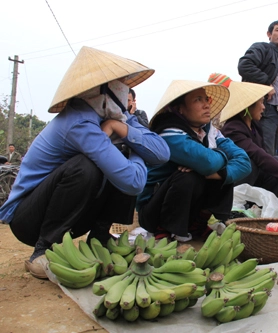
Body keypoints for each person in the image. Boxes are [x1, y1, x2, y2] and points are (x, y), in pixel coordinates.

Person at [0, 46, 170, 279]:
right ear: (102, 90)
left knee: (117, 156)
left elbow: (161, 153)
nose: (125, 90)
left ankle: (100, 238)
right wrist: (134, 147)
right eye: (120, 84)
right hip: (28, 219)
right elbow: (134, 183)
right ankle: (43, 249)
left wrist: (123, 130)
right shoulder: (79, 122)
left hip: (74, 216)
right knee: (87, 166)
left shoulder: (114, 116)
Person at [136, 80, 251, 242]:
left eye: (206, 99)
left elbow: (244, 162)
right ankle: (166, 228)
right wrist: (220, 159)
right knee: (189, 175)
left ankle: (197, 222)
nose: (206, 105)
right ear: (180, 109)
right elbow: (208, 162)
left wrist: (219, 173)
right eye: (198, 100)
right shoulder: (169, 133)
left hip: (187, 208)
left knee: (224, 175)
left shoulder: (210, 133)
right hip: (153, 211)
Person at [209, 73, 278, 200]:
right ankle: (237, 207)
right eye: (261, 102)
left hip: (252, 179)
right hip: (232, 183)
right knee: (250, 163)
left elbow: (266, 156)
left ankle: (261, 206)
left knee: (277, 160)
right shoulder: (233, 128)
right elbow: (258, 156)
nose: (264, 107)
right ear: (249, 105)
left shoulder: (255, 126)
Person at [238, 19, 278, 156]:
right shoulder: (262, 48)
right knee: (265, 153)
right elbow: (245, 65)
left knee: (271, 152)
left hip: (276, 112)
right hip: (263, 107)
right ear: (269, 34)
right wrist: (266, 83)